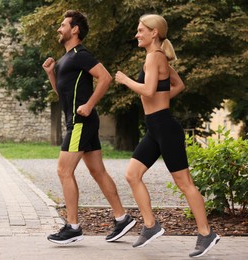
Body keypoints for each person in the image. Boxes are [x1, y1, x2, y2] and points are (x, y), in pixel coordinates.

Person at [115, 14, 220, 257]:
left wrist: (125, 80)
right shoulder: (159, 58)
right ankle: (151, 225)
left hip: (165, 128)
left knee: (185, 184)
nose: (137, 34)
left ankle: (206, 233)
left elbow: (149, 90)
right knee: (132, 175)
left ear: (154, 33)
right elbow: (178, 85)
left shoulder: (154, 58)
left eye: (141, 30)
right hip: (155, 128)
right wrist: (162, 101)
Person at [42, 10, 136, 244]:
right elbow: (61, 94)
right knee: (97, 171)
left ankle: (73, 226)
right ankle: (122, 218)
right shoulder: (65, 59)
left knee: (64, 171)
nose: (59, 29)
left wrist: (89, 104)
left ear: (75, 30)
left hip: (80, 123)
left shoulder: (80, 54)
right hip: (80, 122)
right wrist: (51, 74)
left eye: (63, 25)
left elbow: (105, 77)